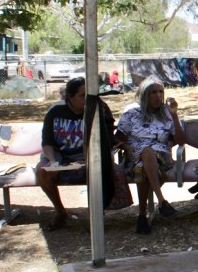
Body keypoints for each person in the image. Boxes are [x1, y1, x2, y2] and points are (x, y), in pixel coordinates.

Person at [36, 77, 113, 231]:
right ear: (70, 97)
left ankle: (96, 213)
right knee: (43, 172)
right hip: (59, 154)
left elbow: (108, 137)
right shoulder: (55, 111)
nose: (87, 99)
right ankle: (60, 211)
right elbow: (47, 142)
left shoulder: (100, 109)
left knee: (97, 170)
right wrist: (52, 161)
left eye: (90, 95)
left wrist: (93, 156)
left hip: (89, 153)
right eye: (82, 95)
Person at [115, 76, 186, 235]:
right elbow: (117, 138)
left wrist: (174, 116)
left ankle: (144, 213)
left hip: (162, 157)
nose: (158, 96)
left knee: (147, 152)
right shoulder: (131, 112)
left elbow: (181, 140)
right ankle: (158, 205)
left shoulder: (167, 113)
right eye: (153, 92)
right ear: (144, 94)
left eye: (161, 92)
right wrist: (126, 147)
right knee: (141, 166)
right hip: (134, 158)